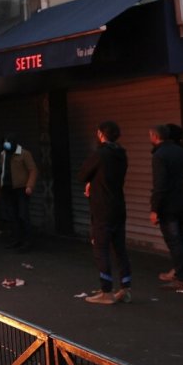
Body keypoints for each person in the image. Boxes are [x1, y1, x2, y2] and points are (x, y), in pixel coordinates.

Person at [80, 120, 131, 304]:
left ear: (101, 134)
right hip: (118, 205)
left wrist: (90, 183)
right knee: (120, 248)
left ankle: (106, 291)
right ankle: (125, 287)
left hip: (102, 207)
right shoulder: (122, 154)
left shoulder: (100, 154)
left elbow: (83, 173)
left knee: (101, 248)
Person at [150, 124, 183, 293]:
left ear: (154, 136)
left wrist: (155, 208)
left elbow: (160, 185)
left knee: (174, 242)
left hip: (168, 206)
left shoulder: (159, 155)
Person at [0, 138, 38, 250]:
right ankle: (17, 240)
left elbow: (33, 170)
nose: (7, 145)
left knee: (23, 215)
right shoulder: (3, 154)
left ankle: (28, 241)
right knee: (12, 216)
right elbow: (2, 172)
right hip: (8, 188)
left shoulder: (24, 154)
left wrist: (29, 185)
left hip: (21, 189)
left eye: (8, 143)